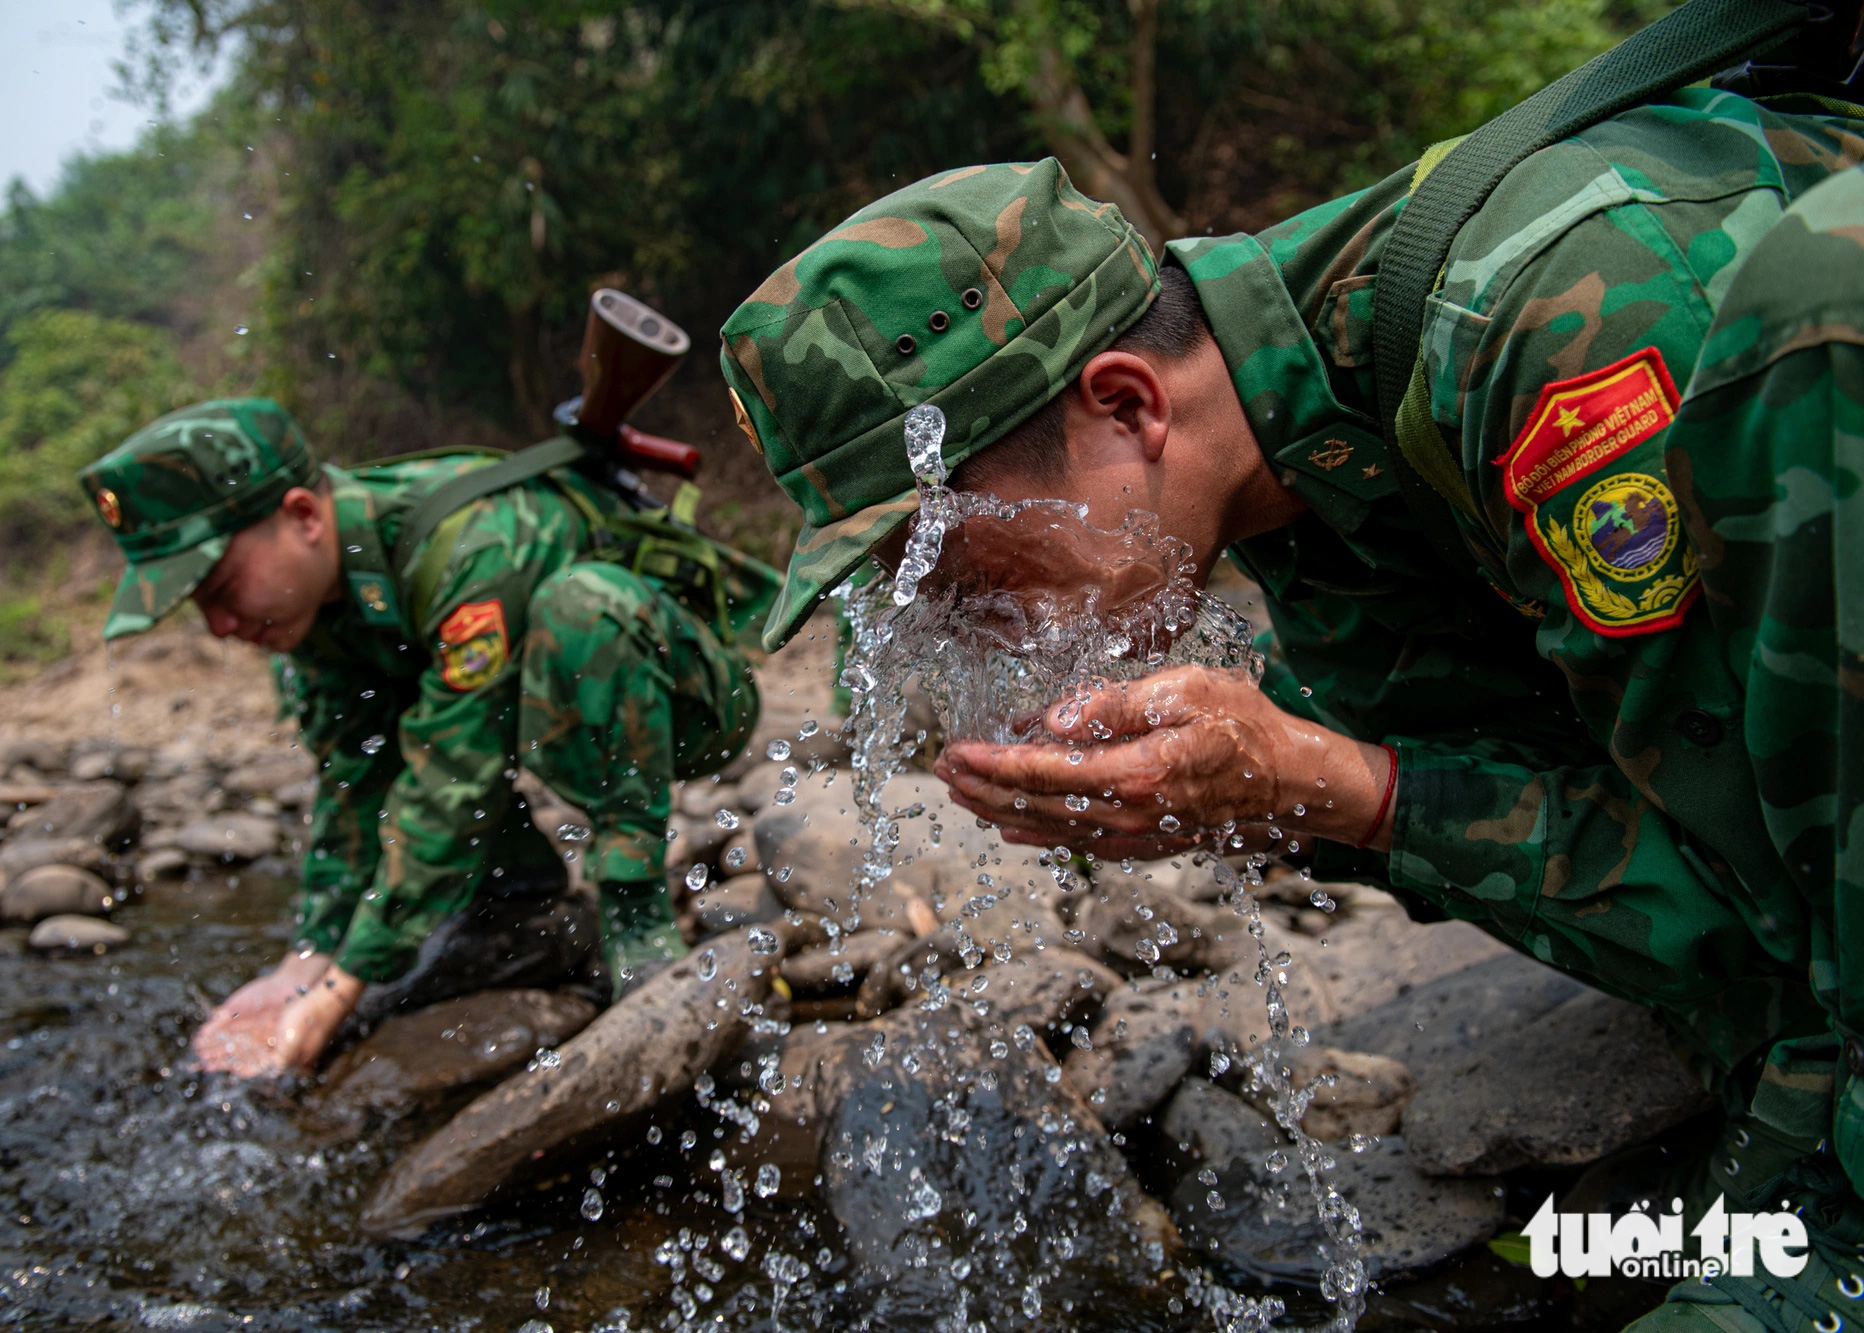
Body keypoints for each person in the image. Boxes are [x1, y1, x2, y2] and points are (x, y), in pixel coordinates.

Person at [719, 101, 1864, 1327]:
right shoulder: (1299, 474)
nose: (959, 624)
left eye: (953, 560)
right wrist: (1277, 806)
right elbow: (1644, 852)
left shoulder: (1554, 342)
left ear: (1126, 406)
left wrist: (1337, 789)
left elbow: (1779, 930)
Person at [77, 399, 774, 1076]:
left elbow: (452, 776)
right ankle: (517, 897)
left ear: (301, 516)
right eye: (202, 607)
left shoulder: (472, 541)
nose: (220, 627)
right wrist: (307, 959)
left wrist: (343, 988)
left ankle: (634, 904)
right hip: (523, 713)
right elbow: (355, 781)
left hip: (688, 698)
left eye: (223, 588)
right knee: (374, 705)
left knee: (580, 610)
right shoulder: (320, 611)